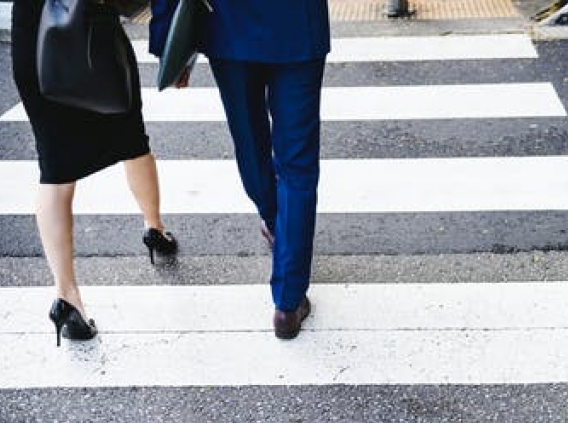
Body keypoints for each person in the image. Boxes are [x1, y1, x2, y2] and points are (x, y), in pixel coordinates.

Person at [150, 0, 330, 339]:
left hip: (228, 27)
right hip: (298, 26)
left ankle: (274, 219)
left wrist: (165, 37)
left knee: (250, 143)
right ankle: (288, 304)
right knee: (298, 165)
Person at [11, 0, 179, 347]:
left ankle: (66, 296)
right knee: (132, 140)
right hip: (91, 36)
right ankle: (154, 228)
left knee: (55, 172)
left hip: (37, 42)